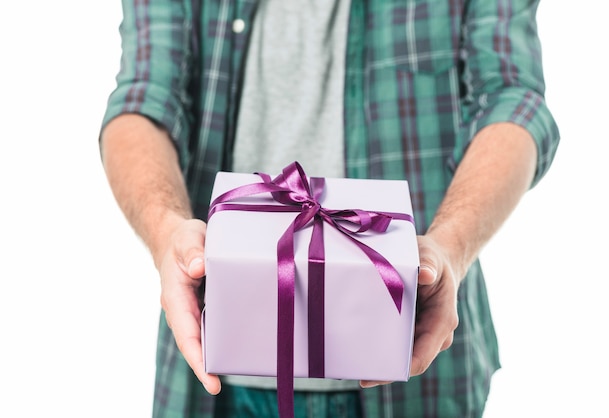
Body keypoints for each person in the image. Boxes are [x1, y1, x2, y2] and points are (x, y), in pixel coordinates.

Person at [99, 0, 559, 416]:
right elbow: (143, 96)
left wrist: (451, 248)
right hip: (213, 372)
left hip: (416, 366)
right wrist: (166, 234)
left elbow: (513, 99)